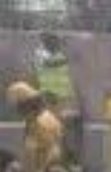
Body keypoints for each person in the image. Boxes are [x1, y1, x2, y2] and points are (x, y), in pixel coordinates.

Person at [33, 31, 84, 163]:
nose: (57, 44)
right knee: (50, 125)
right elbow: (49, 64)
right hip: (49, 94)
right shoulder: (40, 53)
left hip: (60, 97)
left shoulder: (59, 54)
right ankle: (53, 154)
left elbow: (61, 70)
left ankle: (63, 154)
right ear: (47, 42)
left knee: (60, 125)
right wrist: (68, 58)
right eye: (54, 41)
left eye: (57, 42)